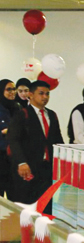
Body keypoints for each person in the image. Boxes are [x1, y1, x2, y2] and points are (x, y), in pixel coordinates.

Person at [7, 81, 64, 212]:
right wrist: (21, 162)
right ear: (31, 95)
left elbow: (58, 140)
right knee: (26, 205)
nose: (45, 97)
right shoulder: (22, 114)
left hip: (47, 168)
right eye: (41, 93)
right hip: (28, 167)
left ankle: (44, 231)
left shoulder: (52, 115)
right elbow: (14, 140)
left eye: (47, 94)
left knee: (47, 204)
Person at [0, 79, 16, 198]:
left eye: (13, 89)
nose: (12, 92)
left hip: (14, 157)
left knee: (14, 194)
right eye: (8, 89)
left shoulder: (18, 108)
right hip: (1, 156)